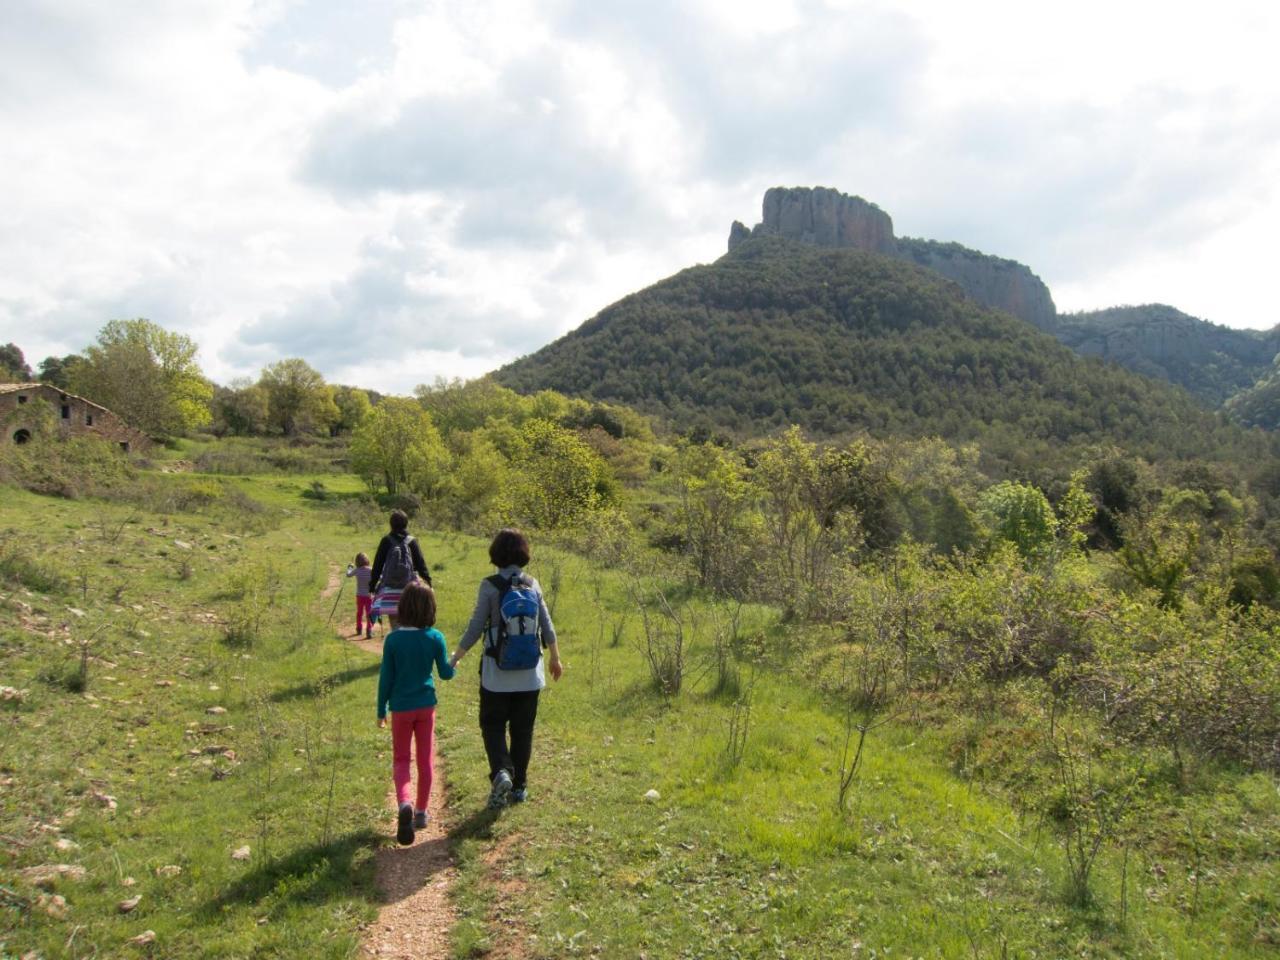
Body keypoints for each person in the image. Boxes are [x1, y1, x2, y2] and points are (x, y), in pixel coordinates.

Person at [450, 528, 562, 809]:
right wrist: (555, 659)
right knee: (523, 731)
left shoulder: (489, 586)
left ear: (496, 554)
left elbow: (476, 627)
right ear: (523, 553)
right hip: (530, 674)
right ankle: (520, 786)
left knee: (492, 725)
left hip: (496, 675)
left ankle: (501, 771)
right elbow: (547, 626)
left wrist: (456, 657)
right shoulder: (533, 584)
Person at [377, 581, 455, 845]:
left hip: (400, 707)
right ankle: (421, 812)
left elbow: (386, 678)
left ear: (403, 607)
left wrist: (380, 710)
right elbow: (445, 673)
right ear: (430, 608)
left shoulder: (393, 640)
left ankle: (404, 804)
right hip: (425, 705)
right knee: (425, 759)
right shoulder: (435, 638)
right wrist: (453, 661)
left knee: (401, 760)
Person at [369, 509, 432, 631]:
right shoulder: (412, 541)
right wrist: (428, 582)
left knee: (395, 622)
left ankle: (397, 638)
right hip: (410, 589)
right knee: (410, 619)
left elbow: (377, 565)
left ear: (391, 524)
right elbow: (420, 564)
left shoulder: (386, 541)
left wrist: (372, 586)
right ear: (406, 523)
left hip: (390, 588)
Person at [346, 552, 373, 638]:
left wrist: (350, 567)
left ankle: (359, 629)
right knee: (369, 613)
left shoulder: (357, 570)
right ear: (367, 560)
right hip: (369, 596)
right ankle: (369, 631)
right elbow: (380, 577)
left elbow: (348, 574)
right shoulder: (371, 570)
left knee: (359, 613)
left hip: (360, 596)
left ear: (357, 562)